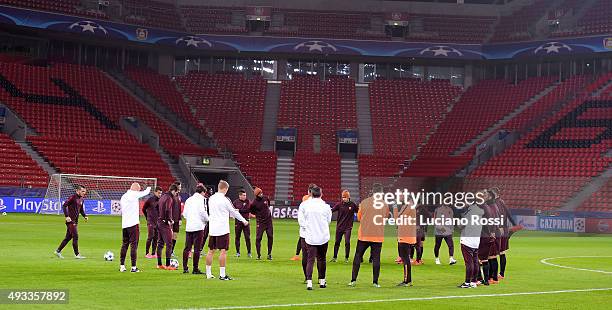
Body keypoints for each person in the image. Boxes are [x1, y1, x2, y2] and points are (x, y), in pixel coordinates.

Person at [205, 180, 248, 280]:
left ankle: (208, 273)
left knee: (211, 251)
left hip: (213, 228)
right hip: (222, 229)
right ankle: (222, 275)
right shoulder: (225, 200)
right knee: (223, 251)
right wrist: (243, 220)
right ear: (225, 189)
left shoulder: (211, 198)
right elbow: (233, 211)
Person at [349, 184, 389, 288]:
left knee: (358, 256)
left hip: (364, 235)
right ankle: (375, 282)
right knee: (376, 258)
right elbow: (386, 217)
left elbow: (358, 217)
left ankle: (353, 280)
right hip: (377, 235)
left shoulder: (364, 202)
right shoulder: (384, 204)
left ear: (372, 191)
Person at [298, 186, 332, 290]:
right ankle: (322, 281)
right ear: (321, 194)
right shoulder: (326, 206)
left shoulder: (304, 205)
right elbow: (328, 220)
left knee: (310, 259)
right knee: (322, 259)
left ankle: (309, 282)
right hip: (323, 236)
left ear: (311, 194)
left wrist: (307, 228)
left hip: (310, 236)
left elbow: (301, 221)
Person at [490, 187, 521, 279]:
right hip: (504, 230)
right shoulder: (502, 202)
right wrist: (515, 225)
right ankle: (501, 274)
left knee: (492, 254)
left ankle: (492, 276)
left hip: (497, 230)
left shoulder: (494, 204)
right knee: (502, 252)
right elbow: (508, 214)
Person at [119, 183, 151, 272]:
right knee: (134, 245)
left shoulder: (124, 196)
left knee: (124, 244)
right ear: (136, 189)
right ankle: (133, 267)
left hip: (125, 224)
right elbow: (146, 192)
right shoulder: (134, 194)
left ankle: (122, 266)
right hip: (133, 224)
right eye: (139, 189)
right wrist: (149, 186)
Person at [54, 185, 88, 259]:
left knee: (68, 237)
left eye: (85, 191)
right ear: (77, 191)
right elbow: (64, 205)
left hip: (75, 221)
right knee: (75, 236)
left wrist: (85, 216)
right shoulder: (72, 197)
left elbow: (81, 210)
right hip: (70, 221)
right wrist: (67, 216)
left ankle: (58, 251)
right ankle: (77, 254)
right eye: (82, 191)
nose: (84, 193)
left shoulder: (82, 199)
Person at [458, 195, 484, 288]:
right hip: (476, 240)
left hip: (467, 240)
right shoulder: (480, 211)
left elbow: (461, 225)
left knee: (469, 262)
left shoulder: (469, 212)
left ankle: (467, 282)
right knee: (475, 261)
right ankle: (474, 282)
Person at [182, 184, 209, 274]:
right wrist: (207, 220)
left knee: (187, 248)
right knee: (197, 249)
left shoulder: (188, 200)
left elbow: (184, 214)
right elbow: (202, 212)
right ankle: (195, 268)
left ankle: (185, 268)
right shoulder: (202, 200)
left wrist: (190, 219)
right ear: (203, 192)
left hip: (189, 226)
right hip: (198, 226)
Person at [331, 190, 358, 263]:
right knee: (337, 242)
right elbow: (331, 211)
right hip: (339, 227)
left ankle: (346, 258)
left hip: (348, 227)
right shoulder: (339, 204)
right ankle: (334, 257)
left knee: (347, 242)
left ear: (348, 197)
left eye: (345, 197)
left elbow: (359, 211)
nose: (343, 198)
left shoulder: (352, 205)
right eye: (343, 197)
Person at [395, 197, 417, 287]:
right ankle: (407, 280)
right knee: (405, 259)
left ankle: (407, 280)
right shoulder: (410, 206)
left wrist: (395, 207)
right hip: (407, 235)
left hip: (405, 236)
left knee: (405, 259)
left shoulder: (408, 206)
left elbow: (397, 219)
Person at [291, 184, 316, 261]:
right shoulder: (307, 198)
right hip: (308, 223)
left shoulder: (310, 199)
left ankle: (310, 256)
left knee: (308, 240)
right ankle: (298, 255)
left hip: (308, 223)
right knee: (305, 240)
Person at [157, 184, 178, 270]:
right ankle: (168, 265)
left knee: (160, 243)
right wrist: (169, 220)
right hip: (165, 223)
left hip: (159, 221)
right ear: (173, 191)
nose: (177, 194)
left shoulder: (162, 196)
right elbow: (167, 209)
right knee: (169, 244)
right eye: (177, 192)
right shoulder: (169, 198)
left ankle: (159, 264)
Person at [250, 187, 273, 260]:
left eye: (261, 192)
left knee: (270, 236)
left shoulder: (266, 198)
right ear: (256, 195)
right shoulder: (254, 203)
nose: (261, 194)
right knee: (258, 238)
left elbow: (268, 206)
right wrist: (258, 216)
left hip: (269, 221)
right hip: (260, 222)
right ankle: (258, 255)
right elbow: (252, 212)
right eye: (260, 193)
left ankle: (269, 254)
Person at [143, 186, 162, 259]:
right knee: (150, 237)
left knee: (156, 238)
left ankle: (154, 253)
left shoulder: (161, 200)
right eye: (158, 193)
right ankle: (147, 253)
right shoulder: (150, 200)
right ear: (155, 192)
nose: (160, 194)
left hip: (158, 222)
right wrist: (147, 217)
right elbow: (143, 209)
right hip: (150, 221)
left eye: (161, 193)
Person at [233, 189, 252, 258]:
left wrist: (239, 210)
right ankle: (238, 252)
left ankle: (249, 252)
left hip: (246, 222)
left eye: (245, 195)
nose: (245, 196)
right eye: (243, 195)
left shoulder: (248, 201)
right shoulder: (235, 202)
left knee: (247, 237)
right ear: (240, 195)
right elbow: (233, 211)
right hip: (238, 222)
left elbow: (248, 209)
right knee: (237, 237)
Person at [171, 181, 182, 256]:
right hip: (171, 219)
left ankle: (171, 251)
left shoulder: (179, 196)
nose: (180, 188)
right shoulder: (171, 196)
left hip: (177, 220)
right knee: (169, 236)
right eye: (180, 187)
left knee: (175, 235)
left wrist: (180, 218)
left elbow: (179, 208)